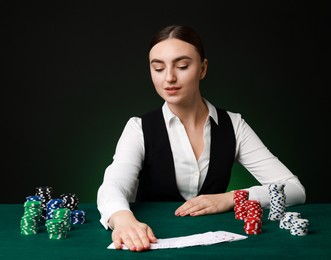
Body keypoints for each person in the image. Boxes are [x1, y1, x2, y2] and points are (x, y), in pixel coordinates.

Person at [97, 24, 306, 252]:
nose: (169, 78)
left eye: (183, 66)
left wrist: (230, 198)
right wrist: (122, 219)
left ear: (203, 69)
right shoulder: (138, 128)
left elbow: (294, 188)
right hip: (154, 245)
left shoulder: (233, 125)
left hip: (220, 249)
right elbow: (113, 185)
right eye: (158, 68)